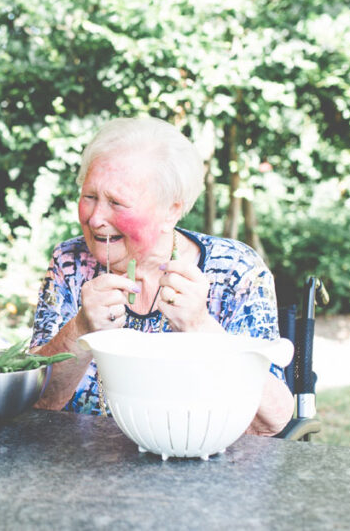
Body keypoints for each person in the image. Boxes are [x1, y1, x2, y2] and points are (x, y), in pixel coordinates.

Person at [30, 116, 293, 436]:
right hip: (82, 471)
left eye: (116, 202)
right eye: (89, 197)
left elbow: (273, 421)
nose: (96, 218)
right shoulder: (70, 263)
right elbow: (36, 402)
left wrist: (200, 328)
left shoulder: (235, 272)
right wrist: (81, 329)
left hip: (199, 471)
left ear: (172, 210)